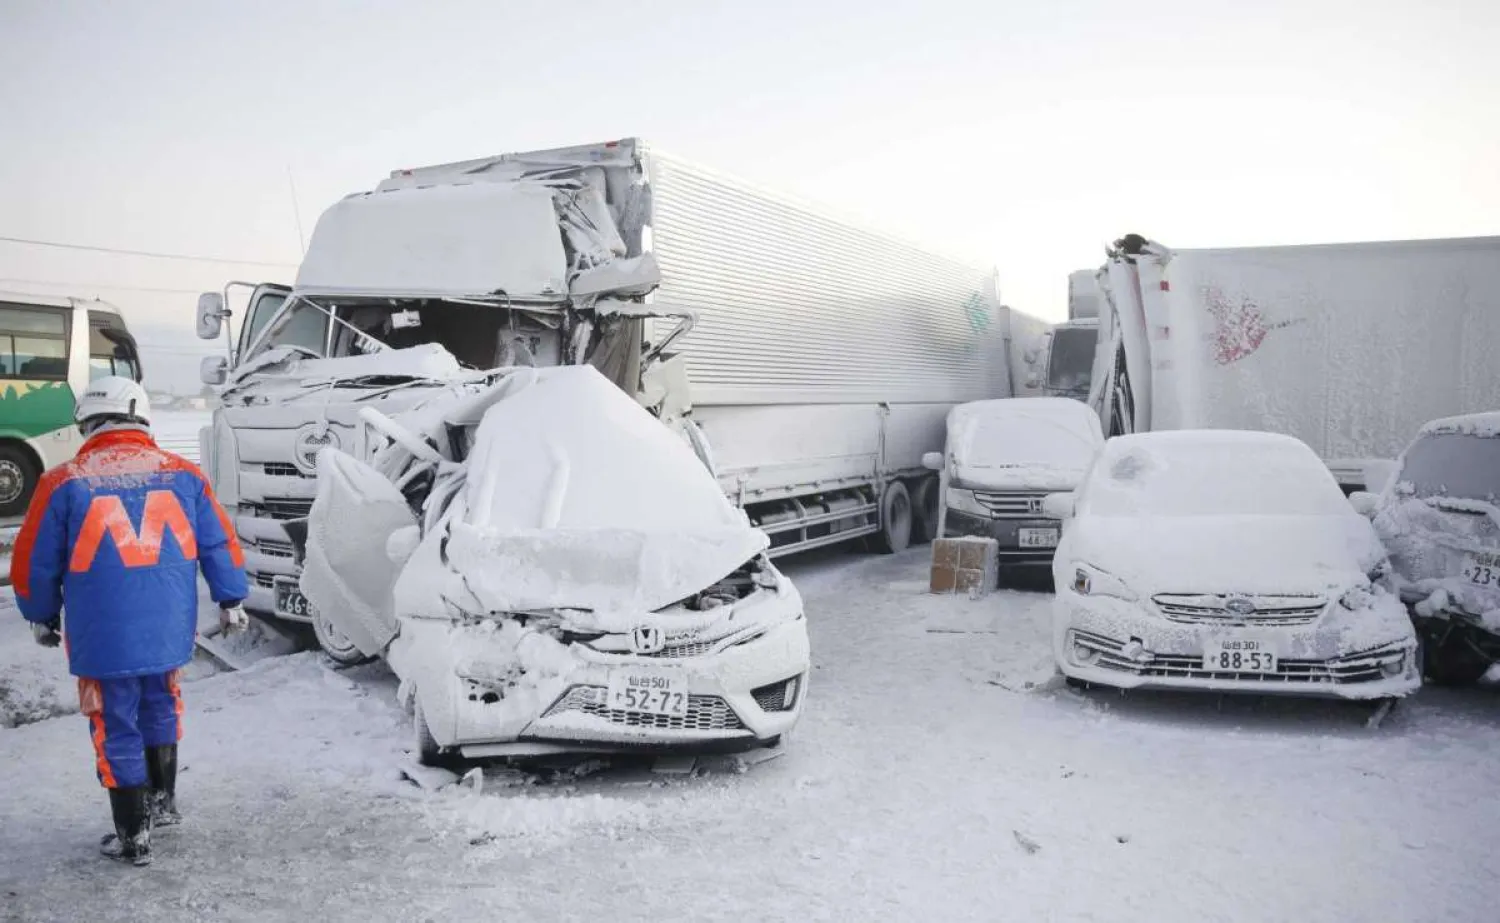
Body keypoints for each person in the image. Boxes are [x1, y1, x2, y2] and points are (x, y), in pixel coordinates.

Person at [9, 376, 249, 867]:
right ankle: (163, 806)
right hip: (167, 631)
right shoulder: (183, 474)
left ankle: (132, 835)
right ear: (138, 414)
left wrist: (40, 615)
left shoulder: (63, 482)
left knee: (115, 722)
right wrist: (231, 599)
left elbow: (35, 559)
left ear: (89, 423)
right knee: (162, 704)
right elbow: (219, 542)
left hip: (104, 639)